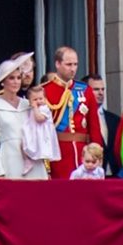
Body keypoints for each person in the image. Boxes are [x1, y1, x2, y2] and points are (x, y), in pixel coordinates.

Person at [42, 47, 104, 180]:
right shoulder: (45, 91)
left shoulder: (85, 90)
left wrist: (96, 153)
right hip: (58, 154)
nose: (73, 69)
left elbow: (94, 125)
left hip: (85, 155)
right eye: (68, 64)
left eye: (75, 64)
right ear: (57, 64)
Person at [0, 55, 33, 178]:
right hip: (9, 159)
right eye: (11, 78)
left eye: (18, 78)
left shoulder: (27, 104)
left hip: (31, 158)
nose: (16, 82)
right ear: (3, 81)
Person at [85, 74, 121, 175]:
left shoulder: (115, 119)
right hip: (91, 173)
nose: (100, 93)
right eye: (96, 89)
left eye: (102, 89)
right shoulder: (81, 120)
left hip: (114, 174)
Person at [21, 84, 58, 178]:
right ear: (29, 101)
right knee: (23, 145)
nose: (38, 101)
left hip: (42, 135)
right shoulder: (32, 108)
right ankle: (28, 161)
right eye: (35, 99)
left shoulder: (44, 108)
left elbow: (39, 118)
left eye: (41, 98)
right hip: (33, 132)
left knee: (37, 148)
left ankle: (39, 164)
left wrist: (35, 107)